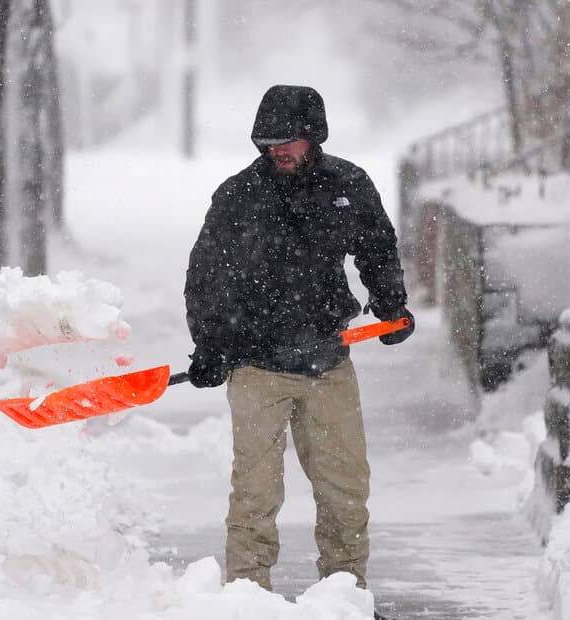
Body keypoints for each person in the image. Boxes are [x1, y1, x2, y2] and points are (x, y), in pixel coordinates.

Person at [183, 84, 414, 607]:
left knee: (345, 490)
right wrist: (211, 344)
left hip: (328, 360)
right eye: (268, 143)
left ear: (314, 137)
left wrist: (391, 305)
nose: (277, 151)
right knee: (255, 496)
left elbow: (377, 248)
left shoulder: (348, 185)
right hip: (257, 365)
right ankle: (246, 598)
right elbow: (206, 276)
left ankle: (346, 597)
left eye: (288, 141)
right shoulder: (238, 195)